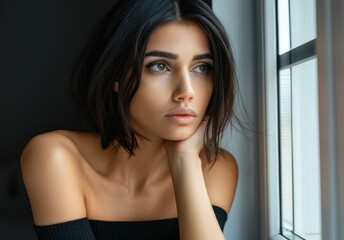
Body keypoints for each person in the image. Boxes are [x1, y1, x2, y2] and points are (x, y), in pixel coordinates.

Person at [20, 0, 238, 239]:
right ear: (116, 74)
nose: (186, 91)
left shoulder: (215, 168)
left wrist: (185, 161)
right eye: (159, 65)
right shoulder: (55, 157)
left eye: (201, 68)